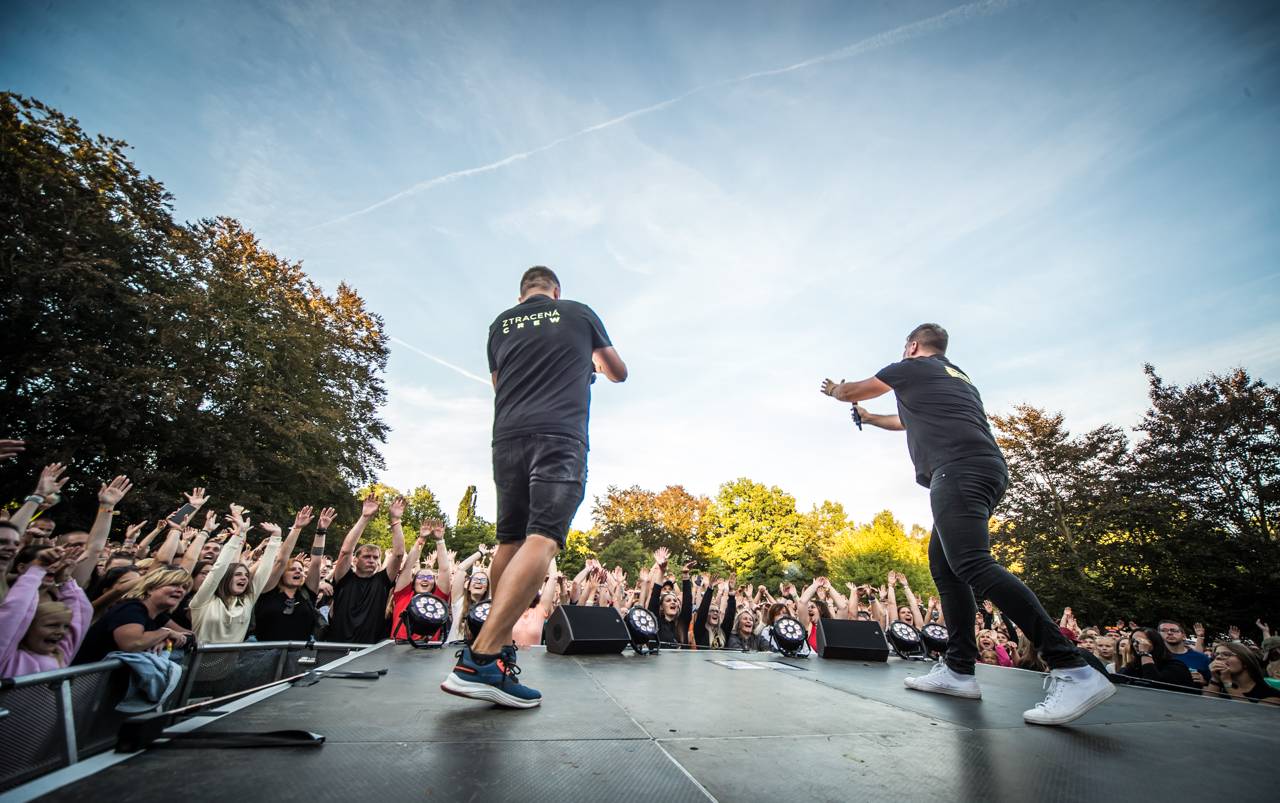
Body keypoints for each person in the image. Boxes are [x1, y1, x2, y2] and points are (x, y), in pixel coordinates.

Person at [822, 323, 1113, 725]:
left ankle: (1071, 667)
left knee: (973, 563)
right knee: (945, 567)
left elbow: (854, 389)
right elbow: (905, 422)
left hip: (958, 470)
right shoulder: (954, 377)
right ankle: (959, 669)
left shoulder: (911, 367)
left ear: (911, 346)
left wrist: (838, 390)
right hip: (981, 469)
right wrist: (870, 419)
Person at [443, 266, 626, 709]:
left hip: (507, 438)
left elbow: (498, 386)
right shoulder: (578, 313)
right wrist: (589, 365)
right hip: (558, 435)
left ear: (522, 292)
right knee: (543, 539)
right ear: (555, 291)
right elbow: (618, 371)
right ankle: (480, 660)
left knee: (509, 540)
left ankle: (496, 650)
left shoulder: (499, 324)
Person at [327, 494, 406, 644]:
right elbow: (345, 551)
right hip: (337, 647)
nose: (372, 561)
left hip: (369, 649)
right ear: (355, 560)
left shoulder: (382, 580)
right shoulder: (344, 578)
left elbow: (398, 554)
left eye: (376, 558)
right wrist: (365, 517)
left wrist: (395, 521)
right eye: (367, 557)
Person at [0, 546, 91, 675]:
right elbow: (13, 614)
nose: (61, 632)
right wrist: (36, 570)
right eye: (52, 625)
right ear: (27, 627)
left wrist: (65, 580)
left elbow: (81, 616)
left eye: (65, 626)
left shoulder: (60, 655)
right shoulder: (6, 659)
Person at [74, 569, 193, 664]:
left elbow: (191, 636)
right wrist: (164, 633)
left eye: (184, 587)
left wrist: (168, 640)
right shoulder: (131, 609)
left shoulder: (158, 615)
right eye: (174, 584)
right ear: (151, 588)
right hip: (80, 685)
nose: (180, 590)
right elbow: (132, 643)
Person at [1116, 628, 1198, 692]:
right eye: (1133, 641)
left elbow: (1152, 684)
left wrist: (1145, 653)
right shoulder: (1133, 666)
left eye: (1141, 641)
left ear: (1155, 643)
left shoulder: (1175, 666)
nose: (1136, 645)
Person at [1205, 642, 1280, 705]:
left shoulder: (1271, 695)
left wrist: (1227, 682)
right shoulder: (1217, 686)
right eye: (1216, 655)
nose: (1218, 657)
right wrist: (1215, 679)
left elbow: (1250, 716)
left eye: (1226, 654)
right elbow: (1204, 708)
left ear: (1245, 662)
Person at [1158, 620, 1211, 687]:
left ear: (1184, 636)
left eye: (1174, 630)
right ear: (1158, 635)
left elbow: (1214, 684)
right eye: (1164, 630)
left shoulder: (1202, 658)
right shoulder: (1154, 656)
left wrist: (1204, 682)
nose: (1169, 632)